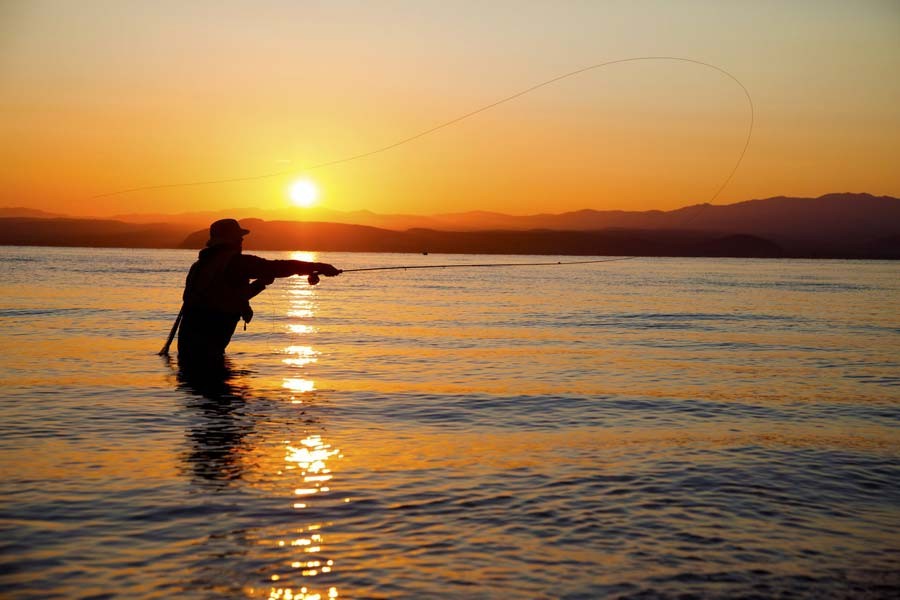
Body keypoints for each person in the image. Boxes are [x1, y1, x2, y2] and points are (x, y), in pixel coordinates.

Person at [177, 218, 340, 361]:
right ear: (231, 240)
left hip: (189, 345)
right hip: (207, 348)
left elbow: (227, 297)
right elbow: (277, 267)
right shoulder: (236, 263)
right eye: (238, 238)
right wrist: (319, 266)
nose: (241, 241)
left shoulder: (199, 266)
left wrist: (260, 284)